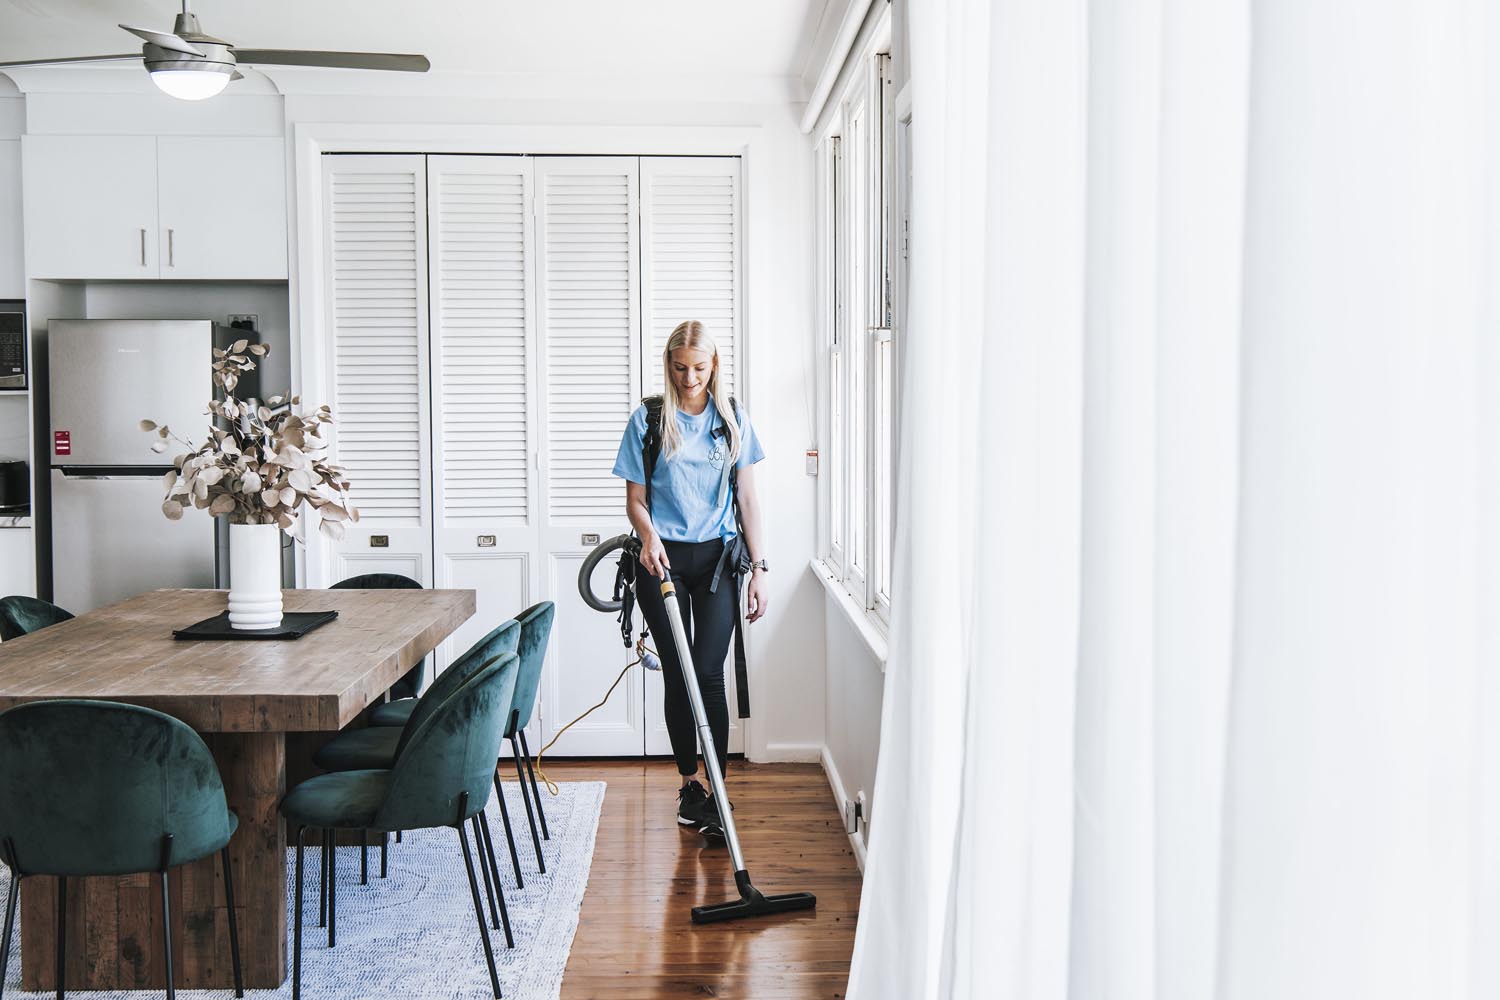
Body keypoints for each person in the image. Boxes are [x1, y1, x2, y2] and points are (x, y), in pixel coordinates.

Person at [612, 319, 768, 835]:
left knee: (708, 671)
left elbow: (746, 498)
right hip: (662, 562)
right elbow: (636, 501)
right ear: (669, 365)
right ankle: (689, 787)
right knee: (679, 671)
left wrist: (760, 569)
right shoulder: (649, 420)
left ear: (714, 365)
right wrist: (650, 536)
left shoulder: (732, 419)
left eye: (699, 368)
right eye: (679, 368)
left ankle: (719, 790)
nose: (689, 378)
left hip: (720, 562)